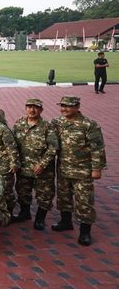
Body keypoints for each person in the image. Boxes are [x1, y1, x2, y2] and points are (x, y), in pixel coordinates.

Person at [51, 96, 106, 246]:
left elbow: (98, 148)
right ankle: (66, 222)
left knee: (84, 201)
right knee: (64, 197)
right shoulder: (57, 122)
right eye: (62, 106)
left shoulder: (88, 125)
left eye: (68, 106)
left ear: (77, 107)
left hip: (82, 171)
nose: (64, 109)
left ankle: (85, 232)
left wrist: (97, 168)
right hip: (63, 169)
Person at [12, 99, 58, 229]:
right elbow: (13, 144)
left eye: (36, 108)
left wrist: (42, 164)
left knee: (45, 194)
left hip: (42, 169)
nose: (32, 110)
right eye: (29, 107)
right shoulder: (19, 123)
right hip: (24, 167)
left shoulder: (48, 126)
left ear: (41, 110)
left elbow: (53, 148)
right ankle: (24, 213)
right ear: (26, 108)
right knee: (22, 191)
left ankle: (40, 218)